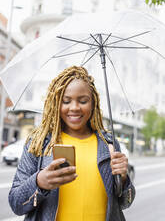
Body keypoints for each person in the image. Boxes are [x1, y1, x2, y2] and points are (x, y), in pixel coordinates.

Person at [9, 66, 135, 221]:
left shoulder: (108, 142)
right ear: (55, 103)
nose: (74, 108)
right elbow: (15, 203)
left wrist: (123, 178)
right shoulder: (39, 143)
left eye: (83, 101)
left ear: (93, 103)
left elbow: (125, 203)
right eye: (66, 101)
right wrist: (39, 182)